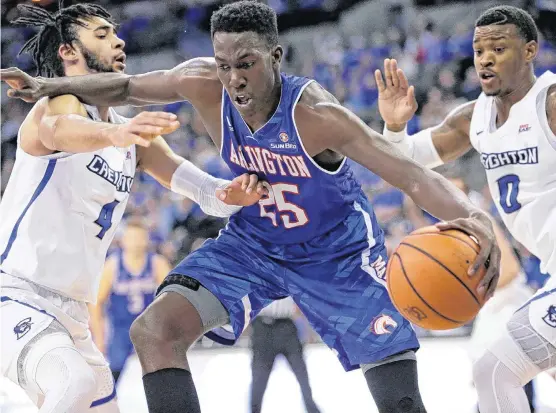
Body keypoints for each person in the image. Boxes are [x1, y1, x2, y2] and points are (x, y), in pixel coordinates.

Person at [1, 2, 502, 412]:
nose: (233, 78)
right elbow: (125, 88)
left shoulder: (317, 115)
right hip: (253, 245)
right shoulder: (200, 83)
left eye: (247, 64)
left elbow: (410, 175)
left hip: (336, 253)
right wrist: (50, 86)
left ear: (276, 56)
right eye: (224, 65)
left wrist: (477, 219)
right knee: (154, 331)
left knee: (397, 395)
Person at [0, 2, 263, 413]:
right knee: (74, 384)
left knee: (99, 401)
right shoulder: (57, 107)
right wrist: (118, 132)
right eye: (102, 34)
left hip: (72, 315)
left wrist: (234, 194)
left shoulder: (129, 135)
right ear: (70, 51)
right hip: (13, 295)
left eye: (115, 32)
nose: (118, 40)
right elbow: (60, 130)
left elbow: (204, 190)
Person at [374, 5, 556, 412]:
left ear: (530, 51)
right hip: (551, 269)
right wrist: (395, 126)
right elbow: (405, 160)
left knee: (494, 371)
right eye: (478, 51)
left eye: (499, 48)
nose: (485, 59)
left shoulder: (550, 102)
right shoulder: (474, 118)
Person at [90, 217, 170, 384]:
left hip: (148, 327)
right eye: (132, 238)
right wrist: (99, 337)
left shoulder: (157, 263)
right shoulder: (112, 265)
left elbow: (172, 298)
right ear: (123, 240)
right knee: (112, 376)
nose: (136, 243)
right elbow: (96, 303)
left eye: (140, 238)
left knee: (162, 374)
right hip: (120, 329)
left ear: (147, 240)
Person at [249, 298, 320, 413]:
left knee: (302, 374)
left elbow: (297, 298)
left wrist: (306, 328)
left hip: (286, 325)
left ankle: (313, 410)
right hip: (262, 328)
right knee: (259, 378)